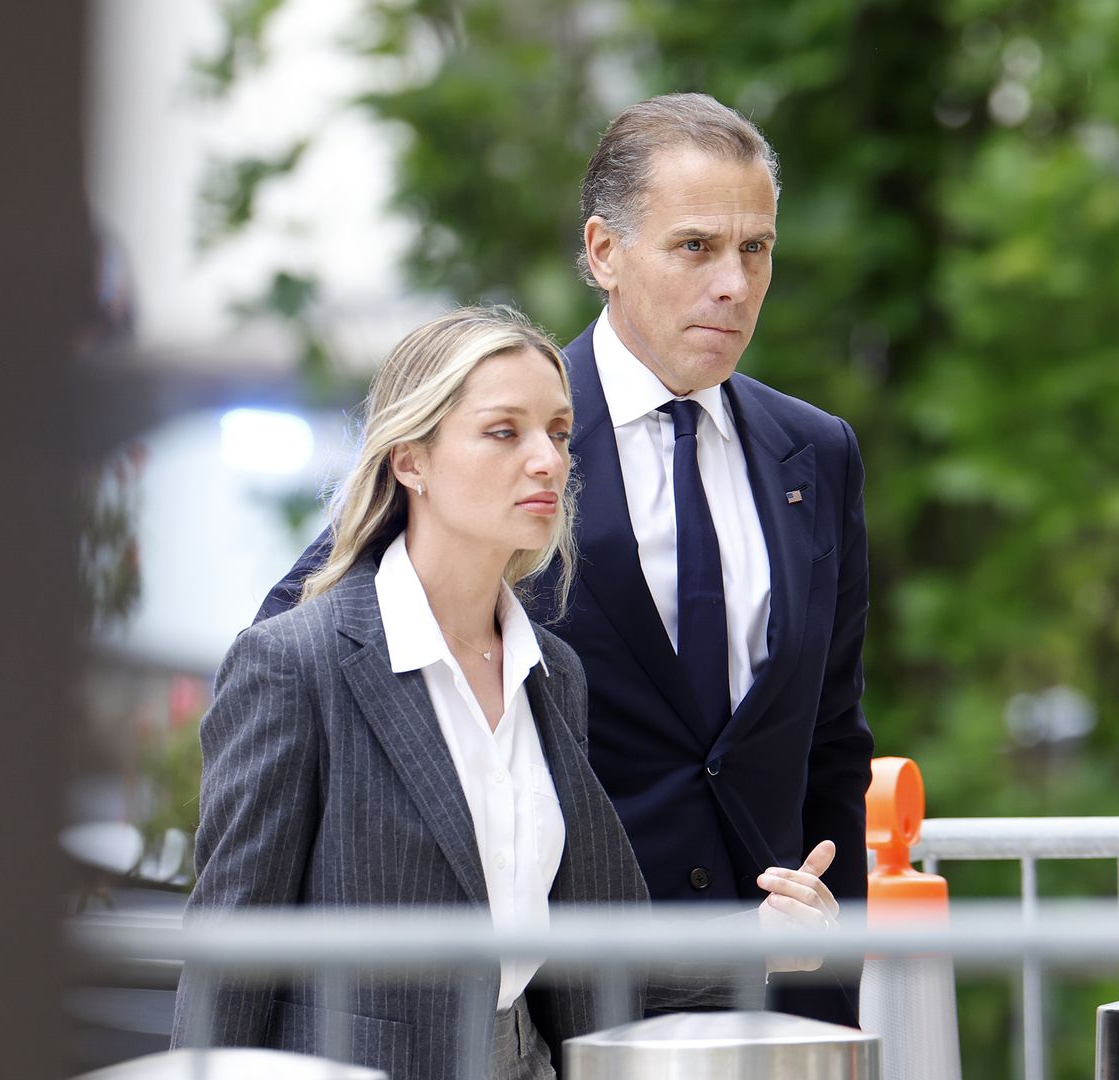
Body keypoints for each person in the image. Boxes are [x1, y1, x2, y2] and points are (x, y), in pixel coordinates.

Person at [259, 93, 874, 1026]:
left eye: (756, 248)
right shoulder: (504, 438)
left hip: (778, 993)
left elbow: (832, 741)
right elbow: (300, 653)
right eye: (696, 246)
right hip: (571, 1007)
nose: (734, 284)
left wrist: (834, 980)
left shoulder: (816, 454)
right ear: (603, 252)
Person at [172, 306, 838, 1080]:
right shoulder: (294, 665)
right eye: (503, 432)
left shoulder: (552, 674)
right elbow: (226, 966)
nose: (547, 460)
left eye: (558, 433)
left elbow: (589, 952)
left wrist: (758, 941)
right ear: (410, 460)